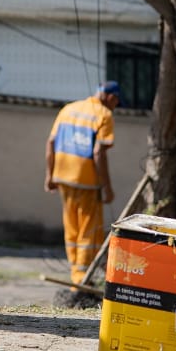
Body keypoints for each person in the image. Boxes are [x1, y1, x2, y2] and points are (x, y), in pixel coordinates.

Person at [45, 81, 118, 285]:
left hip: (63, 176)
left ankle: (75, 273)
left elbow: (51, 142)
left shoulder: (68, 109)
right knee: (88, 229)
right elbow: (98, 152)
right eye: (116, 102)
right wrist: (107, 187)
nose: (115, 106)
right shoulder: (104, 114)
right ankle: (82, 279)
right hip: (87, 180)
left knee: (71, 227)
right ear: (111, 98)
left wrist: (49, 176)